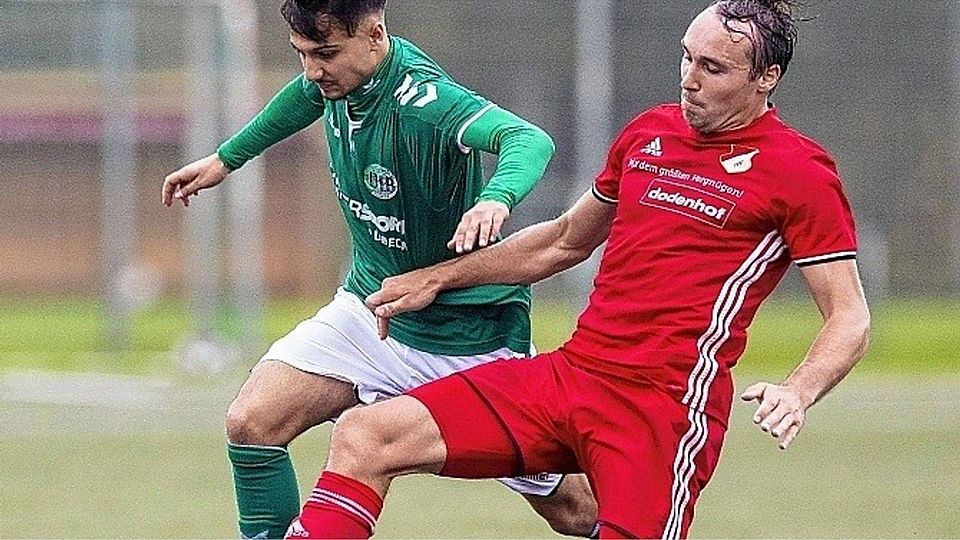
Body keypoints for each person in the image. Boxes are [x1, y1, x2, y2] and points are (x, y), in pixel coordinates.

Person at [283, 0, 872, 538]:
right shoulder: (650, 133)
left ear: (766, 78)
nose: (690, 80)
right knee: (365, 435)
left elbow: (848, 318)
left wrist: (798, 391)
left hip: (663, 410)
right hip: (573, 376)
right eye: (687, 58)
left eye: (713, 69)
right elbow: (564, 241)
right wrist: (436, 277)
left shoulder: (800, 172)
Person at [161, 1, 598, 538]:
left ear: (375, 34)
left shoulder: (424, 100)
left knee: (578, 512)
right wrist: (226, 159)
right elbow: (301, 99)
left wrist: (496, 199)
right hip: (369, 311)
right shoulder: (336, 82)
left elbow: (528, 140)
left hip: (465, 336)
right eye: (302, 55)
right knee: (252, 421)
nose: (314, 71)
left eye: (326, 54)